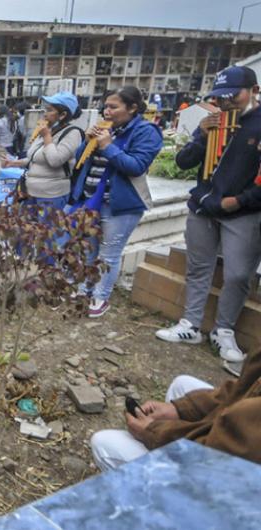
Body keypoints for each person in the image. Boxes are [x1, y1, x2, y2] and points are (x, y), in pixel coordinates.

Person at [156, 66, 261, 365]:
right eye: (220, 98)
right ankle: (191, 324)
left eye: (233, 96)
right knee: (198, 267)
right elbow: (183, 161)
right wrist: (201, 135)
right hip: (203, 206)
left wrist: (238, 201)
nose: (226, 104)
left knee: (239, 274)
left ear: (254, 91)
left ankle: (223, 329)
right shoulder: (212, 123)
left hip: (242, 211)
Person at [69, 86, 163, 318]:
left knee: (109, 254)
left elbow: (136, 166)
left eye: (113, 107)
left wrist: (108, 146)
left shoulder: (146, 131)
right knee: (90, 248)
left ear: (132, 108)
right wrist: (88, 141)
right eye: (106, 106)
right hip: (92, 199)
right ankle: (85, 288)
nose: (107, 111)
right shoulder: (105, 129)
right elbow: (82, 160)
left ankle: (101, 296)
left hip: (119, 204)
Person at [90, 350, 261, 471]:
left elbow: (212, 456)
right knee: (182, 384)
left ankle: (158, 513)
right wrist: (180, 409)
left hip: (234, 486)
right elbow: (244, 389)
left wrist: (153, 432)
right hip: (235, 438)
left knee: (104, 443)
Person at [1, 92, 84, 210]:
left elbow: (55, 160)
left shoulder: (72, 133)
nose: (45, 114)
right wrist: (13, 163)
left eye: (50, 110)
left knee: (46, 228)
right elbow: (33, 158)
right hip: (30, 193)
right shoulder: (48, 129)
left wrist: (46, 137)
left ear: (62, 115)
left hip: (51, 196)